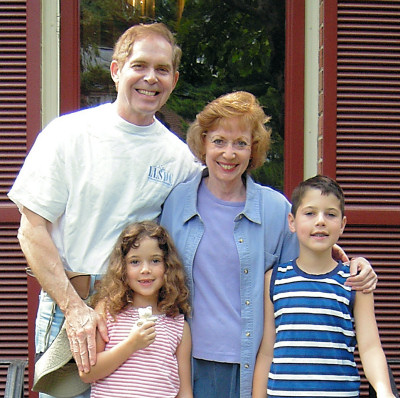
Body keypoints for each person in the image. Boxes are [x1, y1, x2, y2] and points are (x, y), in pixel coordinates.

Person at [7, 22, 201, 396]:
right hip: (71, 304)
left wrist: (311, 246)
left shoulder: (178, 158)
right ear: (116, 70)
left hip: (136, 313)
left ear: (174, 80)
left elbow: (213, 217)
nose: (150, 78)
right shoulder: (68, 134)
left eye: (162, 69)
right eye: (140, 65)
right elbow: (31, 230)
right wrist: (75, 309)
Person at [159, 91, 377, 398]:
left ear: (253, 149)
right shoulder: (177, 202)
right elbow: (153, 269)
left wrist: (355, 263)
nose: (229, 153)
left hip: (255, 366)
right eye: (219, 140)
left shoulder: (276, 209)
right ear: (203, 142)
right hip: (189, 363)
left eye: (241, 143)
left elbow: (306, 271)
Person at [252, 175, 394, 398]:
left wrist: (384, 391)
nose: (320, 221)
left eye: (330, 214)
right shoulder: (275, 279)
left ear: (342, 224)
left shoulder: (354, 281)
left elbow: (370, 347)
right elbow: (267, 352)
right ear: (292, 221)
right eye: (310, 213)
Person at [79, 221, 193, 398]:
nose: (145, 269)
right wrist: (132, 344)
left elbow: (184, 392)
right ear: (122, 268)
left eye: (155, 260)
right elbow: (88, 373)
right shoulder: (108, 312)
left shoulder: (178, 327)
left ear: (168, 267)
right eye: (135, 262)